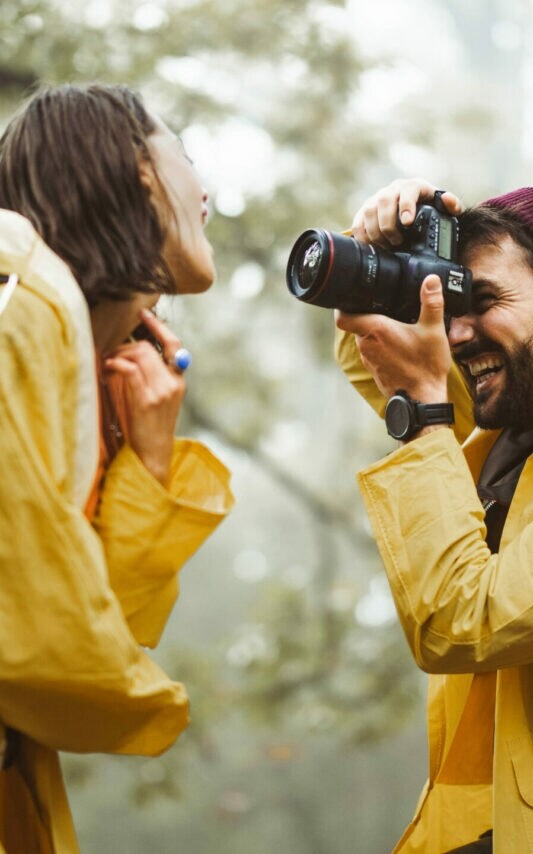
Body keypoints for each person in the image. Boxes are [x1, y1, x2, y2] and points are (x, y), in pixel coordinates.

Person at [335, 178, 533, 853]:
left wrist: (427, 413)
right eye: (453, 304)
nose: (458, 334)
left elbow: (464, 621)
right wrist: (385, 252)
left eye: (483, 300)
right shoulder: (517, 429)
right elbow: (378, 355)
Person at [0, 84, 234, 852]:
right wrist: (149, 707)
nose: (209, 193)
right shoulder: (16, 294)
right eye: (189, 159)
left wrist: (149, 461)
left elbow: (105, 622)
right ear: (139, 172)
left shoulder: (87, 358)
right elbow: (38, 640)